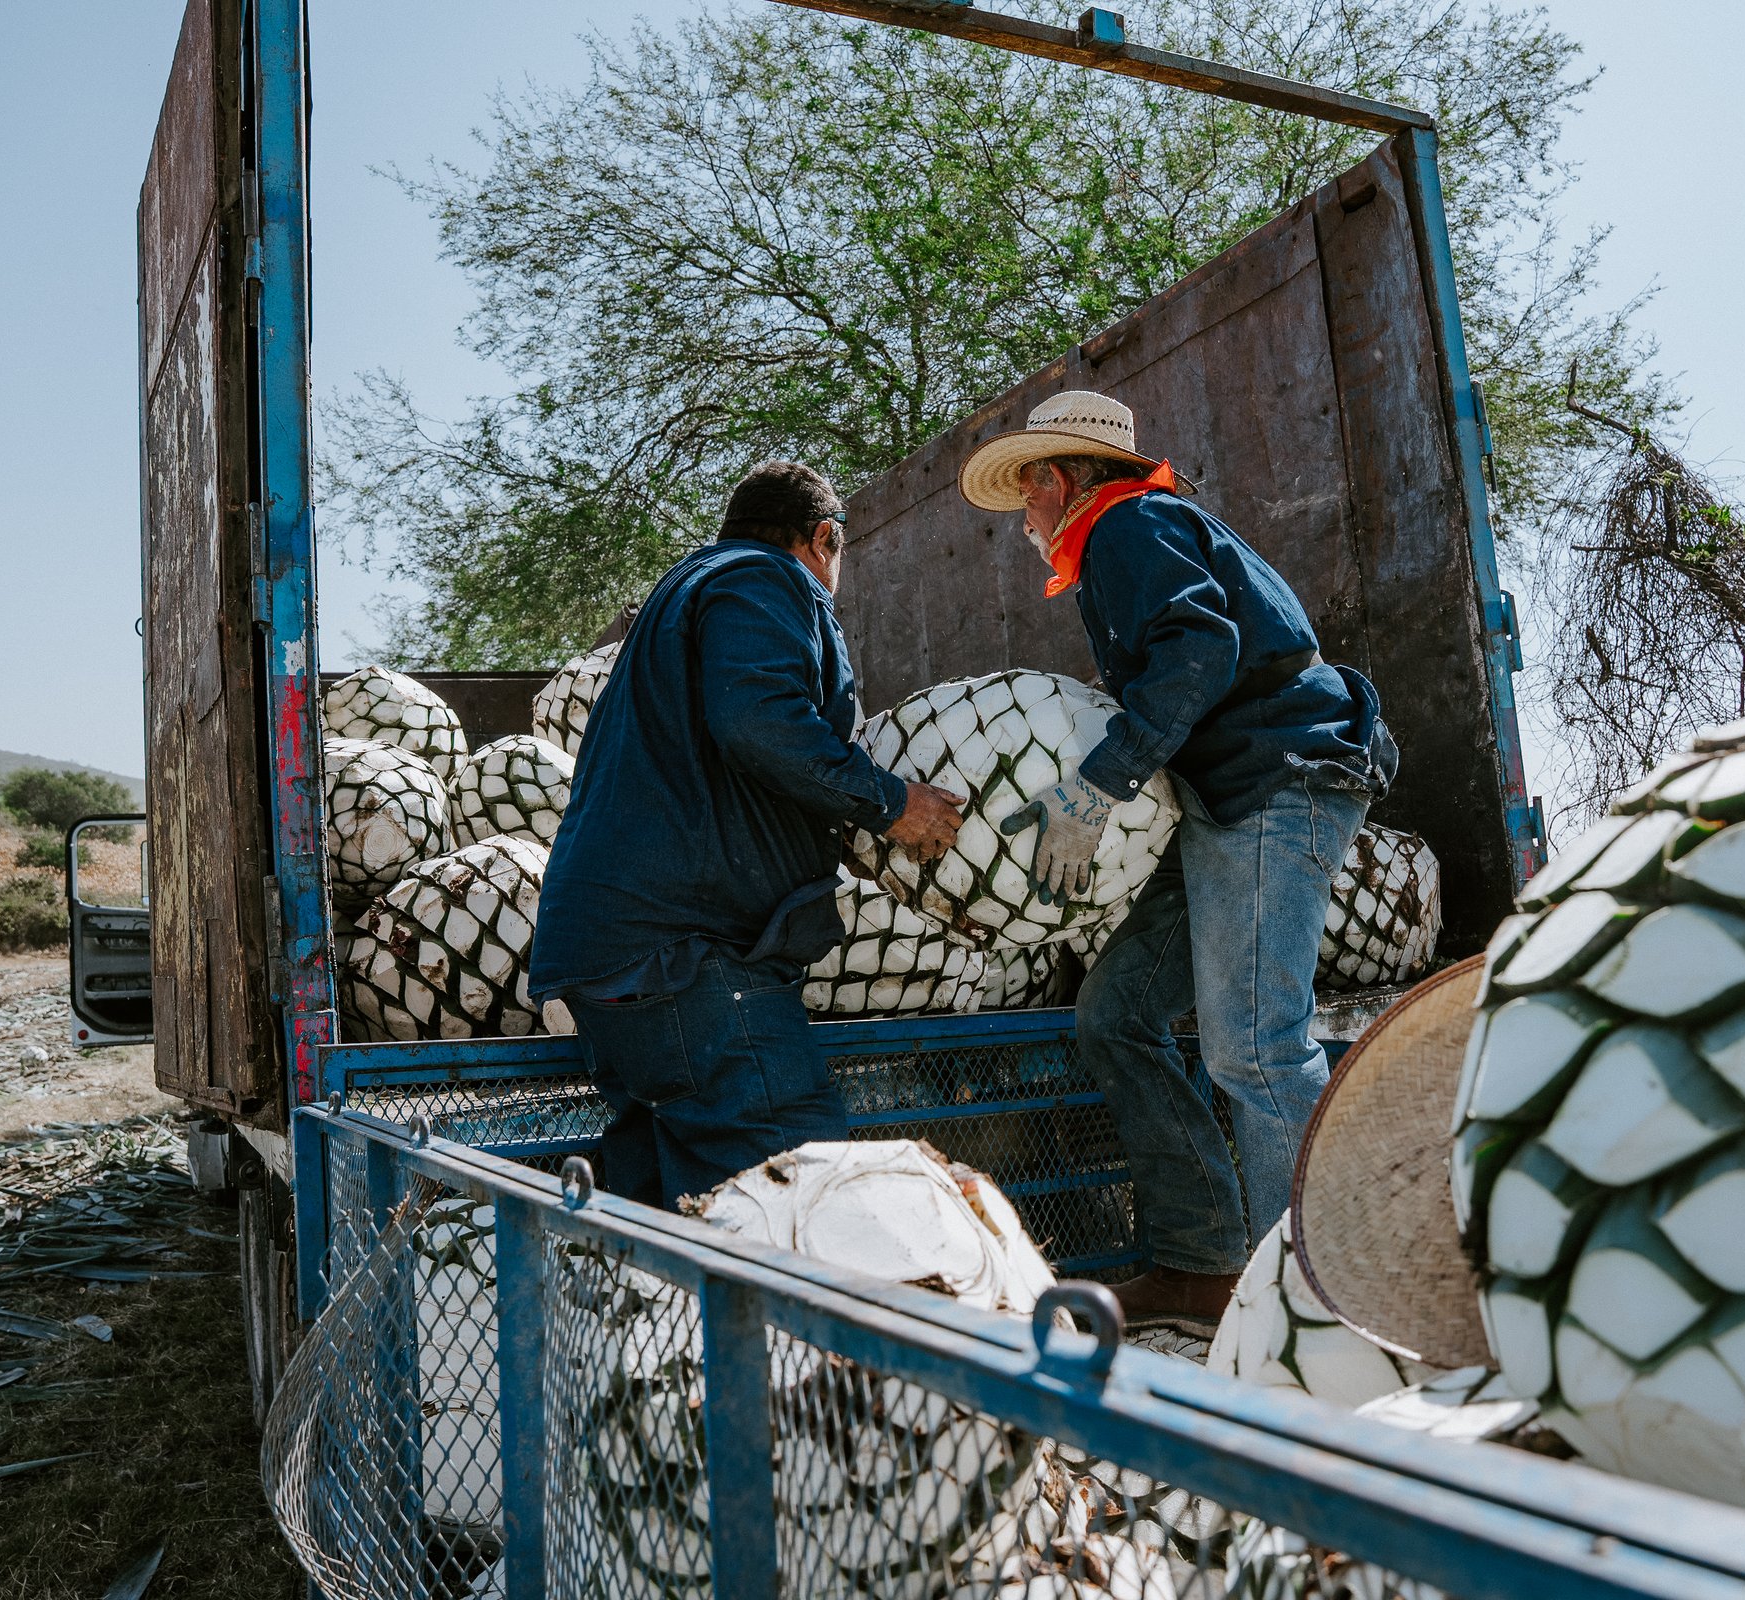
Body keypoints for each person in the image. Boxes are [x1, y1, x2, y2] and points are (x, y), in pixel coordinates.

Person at [959, 391, 1398, 1334]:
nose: (1025, 520)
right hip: (1220, 799)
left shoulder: (1127, 523)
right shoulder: (1140, 532)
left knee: (1258, 1045)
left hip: (1278, 786)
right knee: (1116, 1016)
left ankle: (1317, 1305)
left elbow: (1200, 650)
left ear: (1056, 478)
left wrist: (1093, 788)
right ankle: (1204, 1271)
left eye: (1029, 497)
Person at [529, 461, 965, 1207]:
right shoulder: (767, 582)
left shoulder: (684, 592)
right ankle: (788, 1329)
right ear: (824, 539)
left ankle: (675, 1324)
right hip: (681, 956)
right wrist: (889, 802)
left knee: (674, 1198)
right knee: (789, 1171)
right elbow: (758, 718)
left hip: (612, 955)